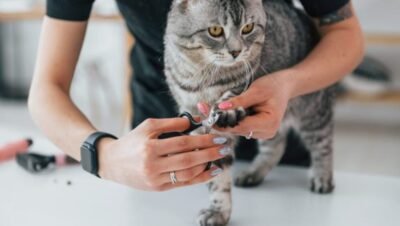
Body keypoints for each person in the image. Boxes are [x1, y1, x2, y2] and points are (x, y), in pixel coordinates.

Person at [28, 0, 364, 191]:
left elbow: (346, 34)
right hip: (157, 153)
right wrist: (106, 156)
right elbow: (46, 88)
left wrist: (287, 85)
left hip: (279, 149)